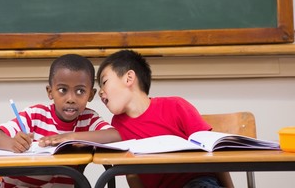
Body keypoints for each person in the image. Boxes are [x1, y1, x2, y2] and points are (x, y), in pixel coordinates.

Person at [96, 49, 234, 188]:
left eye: (104, 82)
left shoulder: (175, 106)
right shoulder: (117, 126)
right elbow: (131, 173)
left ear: (129, 78)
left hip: (198, 182)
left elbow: (214, 153)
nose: (100, 91)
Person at [0, 54, 121, 188]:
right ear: (50, 91)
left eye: (80, 91)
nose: (71, 99)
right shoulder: (35, 115)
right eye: (62, 90)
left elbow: (116, 135)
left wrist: (71, 137)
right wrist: (12, 143)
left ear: (91, 95)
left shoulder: (88, 119)